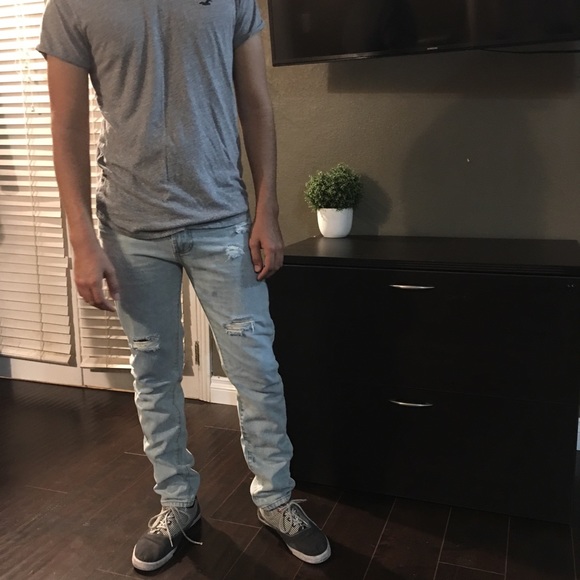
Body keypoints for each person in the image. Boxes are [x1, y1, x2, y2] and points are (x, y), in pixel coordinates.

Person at [38, 0, 330, 572]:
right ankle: (177, 502)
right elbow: (65, 126)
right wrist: (82, 242)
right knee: (154, 374)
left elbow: (256, 103)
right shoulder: (71, 6)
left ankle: (275, 498)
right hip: (129, 229)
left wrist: (267, 210)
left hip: (223, 220)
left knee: (257, 370)